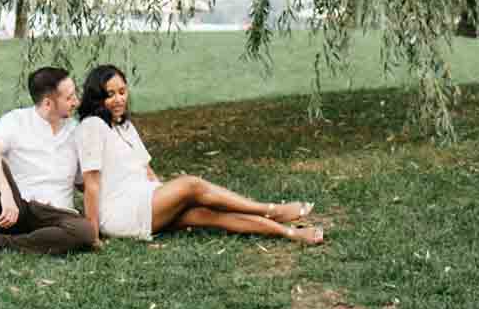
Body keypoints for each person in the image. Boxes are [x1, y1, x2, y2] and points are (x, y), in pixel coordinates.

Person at [75, 63, 324, 247]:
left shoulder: (124, 126)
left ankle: (289, 233)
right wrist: (92, 235)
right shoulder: (92, 127)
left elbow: (147, 170)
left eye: (122, 91)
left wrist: (167, 197)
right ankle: (270, 209)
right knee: (192, 185)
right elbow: (92, 185)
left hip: (146, 199)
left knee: (209, 215)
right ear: (97, 97)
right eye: (110, 94)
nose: (119, 99)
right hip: (122, 212)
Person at [0, 66, 98, 277]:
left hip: (57, 216)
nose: (76, 102)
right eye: (69, 98)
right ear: (48, 103)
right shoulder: (16, 121)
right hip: (16, 210)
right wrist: (5, 191)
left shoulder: (77, 131)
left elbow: (85, 182)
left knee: (85, 232)